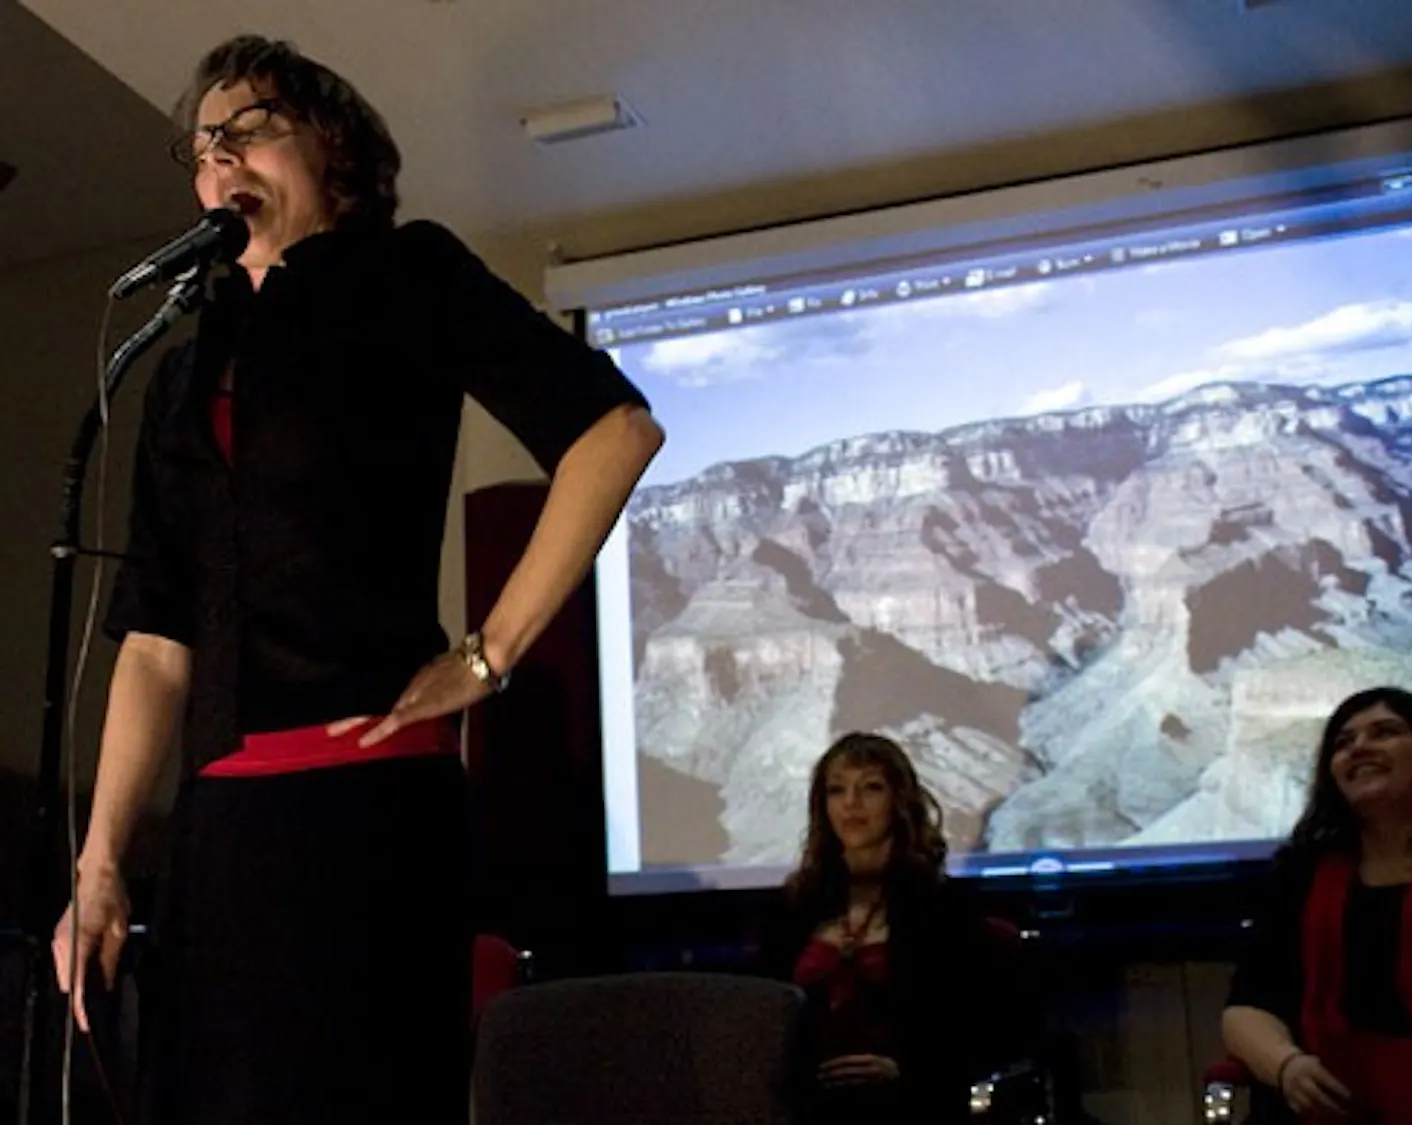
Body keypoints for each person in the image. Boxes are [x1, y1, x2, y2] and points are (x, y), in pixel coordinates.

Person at [49, 34, 663, 1125]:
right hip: (218, 839)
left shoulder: (406, 274)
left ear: (331, 147)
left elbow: (613, 430)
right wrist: (99, 866)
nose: (219, 160)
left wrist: (491, 653)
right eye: (201, 146)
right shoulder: (185, 369)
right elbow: (154, 639)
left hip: (364, 813)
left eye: (249, 130)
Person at [1222, 687, 1412, 1125]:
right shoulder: (1301, 872)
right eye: (1343, 743)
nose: (1360, 748)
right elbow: (1246, 1008)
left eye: (1385, 732)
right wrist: (1286, 1066)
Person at [759, 732, 1029, 1124]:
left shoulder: (944, 910)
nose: (851, 804)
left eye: (870, 787)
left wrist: (906, 1068)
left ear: (898, 801)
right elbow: (757, 1022)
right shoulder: (793, 909)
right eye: (837, 790)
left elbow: (993, 1031)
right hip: (804, 1107)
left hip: (912, 1106)